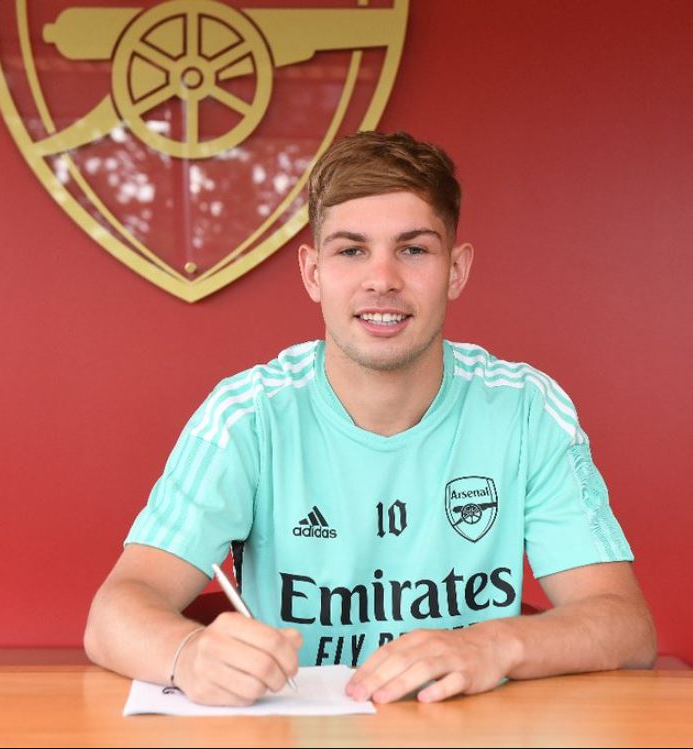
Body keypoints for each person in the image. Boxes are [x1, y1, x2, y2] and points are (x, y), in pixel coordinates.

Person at [84, 131, 656, 706]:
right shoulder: (247, 416)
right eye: (351, 250)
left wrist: (494, 644)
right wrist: (190, 654)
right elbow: (115, 612)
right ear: (313, 272)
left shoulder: (527, 409)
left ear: (456, 270)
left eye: (412, 249)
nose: (382, 279)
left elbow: (626, 625)